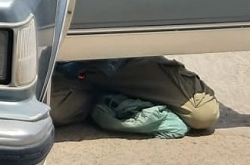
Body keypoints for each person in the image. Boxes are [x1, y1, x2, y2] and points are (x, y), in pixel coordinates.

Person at [50, 56, 219, 131]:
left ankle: (117, 101)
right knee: (50, 112)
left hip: (129, 61)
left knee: (202, 113)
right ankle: (106, 102)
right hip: (71, 68)